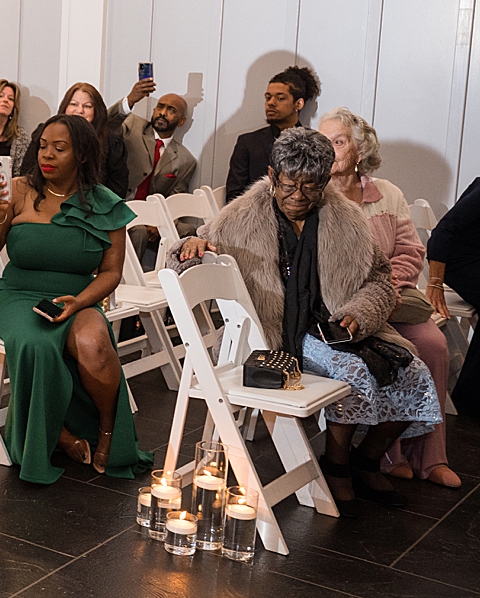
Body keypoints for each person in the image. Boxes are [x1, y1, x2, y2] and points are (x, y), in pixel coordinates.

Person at [172, 128, 441, 514]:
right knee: (352, 372)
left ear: (326, 180)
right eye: (289, 184)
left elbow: (381, 279)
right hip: (278, 335)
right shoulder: (239, 218)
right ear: (271, 174)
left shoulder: (345, 218)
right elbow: (180, 256)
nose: (298, 196)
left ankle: (366, 459)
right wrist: (188, 246)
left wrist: (359, 313)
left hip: (335, 323)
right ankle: (336, 465)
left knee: (414, 371)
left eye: (311, 187)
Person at [0, 115, 151, 482]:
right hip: (18, 295)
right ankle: (58, 435)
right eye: (43, 146)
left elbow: (111, 273)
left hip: (78, 295)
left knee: (94, 344)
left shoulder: (107, 205)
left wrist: (80, 302)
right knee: (36, 343)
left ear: (82, 155)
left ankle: (106, 433)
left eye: (60, 148)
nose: (47, 155)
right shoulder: (19, 190)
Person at [319, 109, 459, 489]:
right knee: (394, 353)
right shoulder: (317, 196)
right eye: (324, 141)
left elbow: (410, 252)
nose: (329, 149)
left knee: (433, 345)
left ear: (359, 148)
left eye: (339, 141)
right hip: (347, 308)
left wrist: (388, 291)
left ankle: (431, 457)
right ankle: (387, 454)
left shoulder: (387, 194)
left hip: (392, 298)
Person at [226, 64, 321, 201]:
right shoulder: (248, 143)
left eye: (280, 98)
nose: (271, 103)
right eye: (268, 97)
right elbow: (234, 196)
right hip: (255, 216)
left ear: (298, 104)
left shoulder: (314, 143)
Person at [431, 176, 480, 415]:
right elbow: (443, 232)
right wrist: (435, 283)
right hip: (458, 263)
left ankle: (469, 397)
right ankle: (469, 401)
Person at [112, 91, 196, 201]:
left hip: (150, 215)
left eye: (171, 110)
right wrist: (130, 101)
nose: (163, 113)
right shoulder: (133, 125)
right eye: (160, 107)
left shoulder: (186, 161)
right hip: (114, 208)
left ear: (181, 121)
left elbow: (175, 202)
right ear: (154, 110)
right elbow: (107, 126)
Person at [54, 82, 129, 197]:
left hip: (95, 208)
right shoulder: (47, 134)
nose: (80, 110)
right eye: (73, 104)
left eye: (87, 106)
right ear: (65, 107)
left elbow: (117, 190)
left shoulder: (112, 142)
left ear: (96, 111)